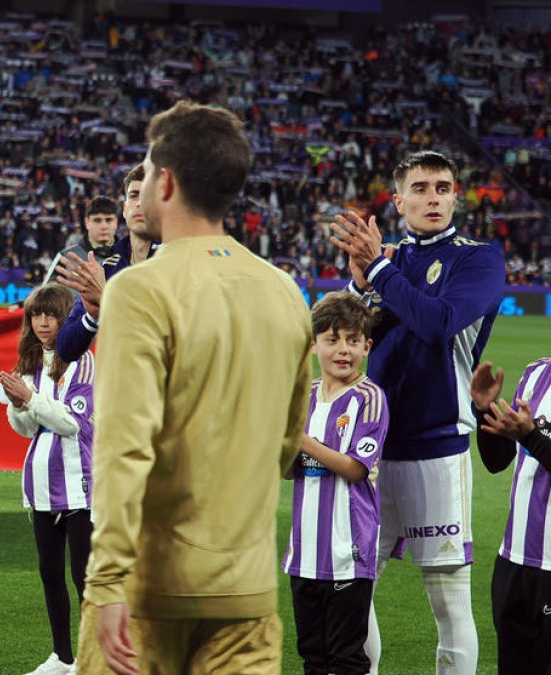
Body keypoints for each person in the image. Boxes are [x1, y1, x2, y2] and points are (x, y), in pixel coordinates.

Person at [79, 100, 313, 675]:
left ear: (167, 182)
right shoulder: (284, 291)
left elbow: (123, 448)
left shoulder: (138, 290)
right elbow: (287, 443)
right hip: (249, 593)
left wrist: (107, 581)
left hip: (149, 595)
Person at [331, 150, 505, 675]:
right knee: (353, 590)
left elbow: (439, 322)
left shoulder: (479, 259)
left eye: (444, 187)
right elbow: (345, 342)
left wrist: (381, 271)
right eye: (422, 187)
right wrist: (360, 283)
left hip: (437, 446)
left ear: (456, 196)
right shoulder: (390, 262)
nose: (434, 197)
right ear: (398, 199)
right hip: (372, 451)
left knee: (448, 600)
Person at [281, 292, 389, 675]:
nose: (343, 350)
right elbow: (288, 470)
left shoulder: (369, 398)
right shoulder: (304, 397)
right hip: (305, 551)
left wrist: (304, 441)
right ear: (314, 346)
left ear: (367, 346)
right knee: (312, 654)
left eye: (353, 341)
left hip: (348, 552)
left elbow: (357, 468)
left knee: (346, 658)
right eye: (332, 340)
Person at [0, 284, 95, 675]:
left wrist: (30, 399)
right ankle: (62, 657)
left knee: (84, 578)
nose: (42, 322)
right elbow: (25, 429)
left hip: (80, 484)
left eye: (50, 315)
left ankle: (94, 659)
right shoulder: (30, 361)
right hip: (40, 484)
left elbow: (73, 423)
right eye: (36, 315)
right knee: (50, 574)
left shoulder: (83, 361)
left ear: (66, 318)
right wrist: (18, 403)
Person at [469, 359, 551, 674]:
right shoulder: (536, 373)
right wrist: (485, 411)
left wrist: (531, 436)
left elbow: (530, 438)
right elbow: (497, 460)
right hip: (514, 561)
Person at [55, 164, 157, 363]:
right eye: (134, 195)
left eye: (148, 196)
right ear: (125, 209)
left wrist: (106, 300)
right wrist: (92, 317)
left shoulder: (178, 261)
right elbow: (65, 349)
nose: (139, 203)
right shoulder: (107, 267)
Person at [43, 196, 119, 285]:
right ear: (87, 222)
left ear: (116, 222)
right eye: (97, 220)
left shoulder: (132, 256)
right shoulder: (65, 258)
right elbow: (46, 297)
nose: (104, 226)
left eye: (109, 220)